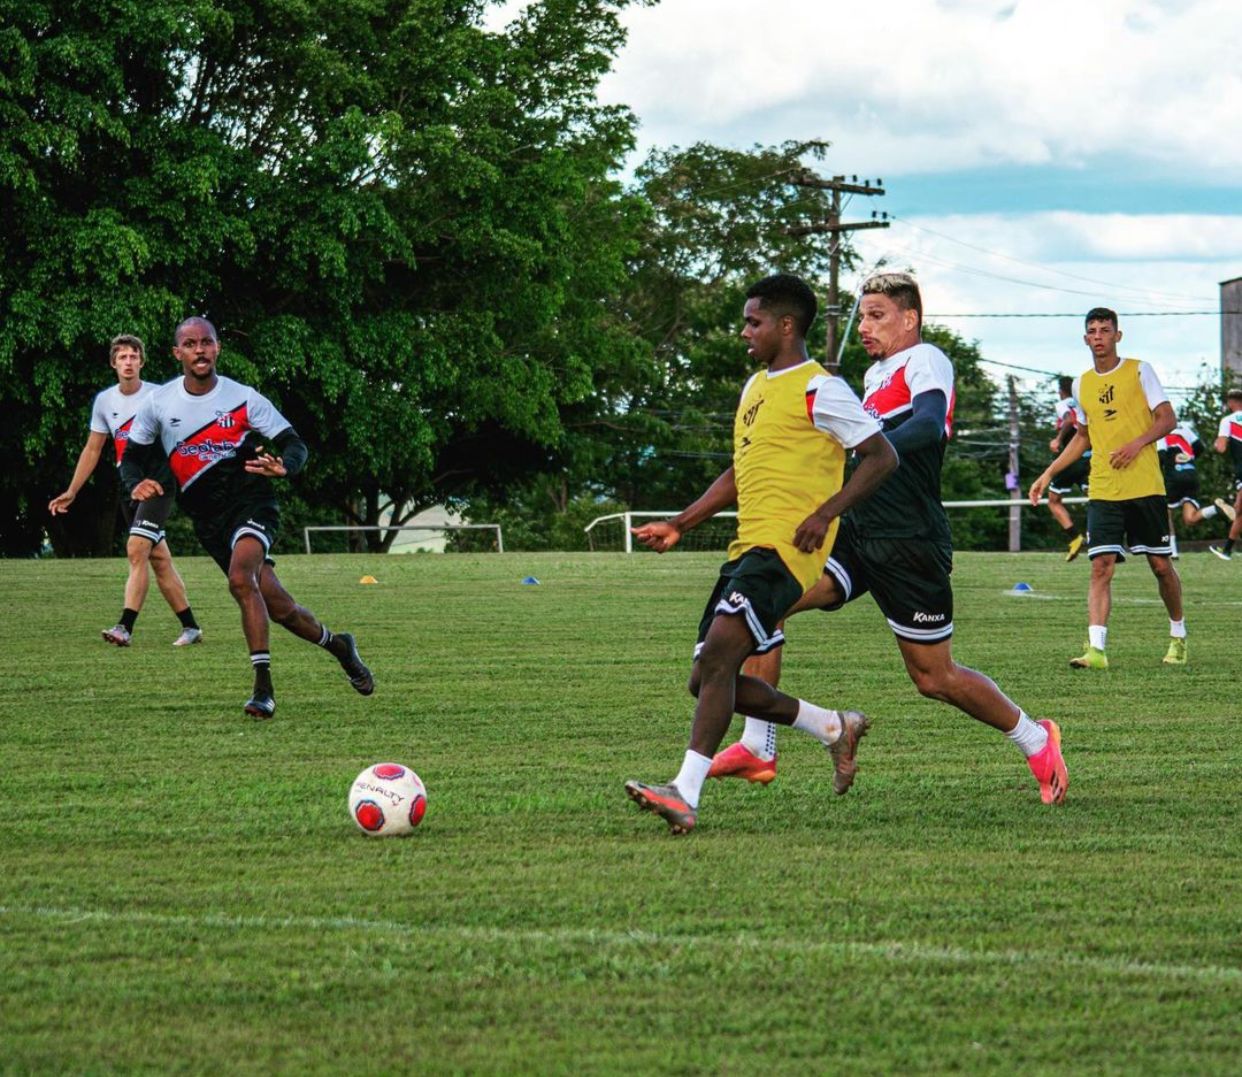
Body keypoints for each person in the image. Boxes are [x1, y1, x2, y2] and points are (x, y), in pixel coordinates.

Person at [711, 272, 1069, 806]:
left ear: (911, 319)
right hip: (858, 532)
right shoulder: (874, 377)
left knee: (935, 677)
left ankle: (1037, 740)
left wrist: (868, 450)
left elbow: (926, 426)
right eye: (862, 316)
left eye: (877, 314)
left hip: (909, 540)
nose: (865, 326)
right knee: (768, 603)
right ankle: (758, 746)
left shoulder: (926, 360)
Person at [623, 274, 898, 834]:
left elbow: (880, 455)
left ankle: (684, 791)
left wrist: (825, 514)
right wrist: (681, 522)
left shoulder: (820, 387)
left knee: (722, 655)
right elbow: (738, 471)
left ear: (787, 325)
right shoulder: (754, 388)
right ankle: (831, 726)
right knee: (705, 679)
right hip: (746, 549)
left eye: (754, 322)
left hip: (787, 552)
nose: (744, 331)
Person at [120, 317, 374, 718]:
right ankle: (340, 646)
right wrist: (135, 482)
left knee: (241, 579)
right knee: (280, 607)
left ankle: (263, 688)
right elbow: (132, 457)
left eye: (207, 342)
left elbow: (294, 443)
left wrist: (285, 466)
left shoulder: (244, 398)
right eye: (190, 344)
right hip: (208, 519)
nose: (199, 350)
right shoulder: (158, 402)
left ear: (218, 348)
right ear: (177, 353)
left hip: (252, 501)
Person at [1029, 307, 1184, 667]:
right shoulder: (1082, 384)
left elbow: (1167, 419)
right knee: (1101, 566)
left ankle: (1178, 634)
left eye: (1105, 330)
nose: (1098, 336)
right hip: (1103, 487)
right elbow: (1082, 437)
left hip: (1145, 485)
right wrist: (1048, 473)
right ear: (1086, 338)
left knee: (1160, 566)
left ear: (1118, 335)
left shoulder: (1140, 370)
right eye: (1093, 331)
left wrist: (1137, 443)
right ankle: (1096, 649)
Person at [48, 334, 202, 647]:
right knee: (158, 559)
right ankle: (191, 627)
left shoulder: (160, 396)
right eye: (122, 357)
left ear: (142, 362)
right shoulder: (105, 401)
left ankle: (124, 627)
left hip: (158, 484)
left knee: (135, 549)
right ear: (113, 364)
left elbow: (186, 438)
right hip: (129, 487)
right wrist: (72, 491)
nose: (128, 362)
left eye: (134, 356)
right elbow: (93, 450)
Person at [1156, 423, 1230, 552]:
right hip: (1191, 475)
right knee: (1190, 519)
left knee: (1165, 513)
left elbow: (1161, 456)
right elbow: (1200, 448)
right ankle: (1215, 509)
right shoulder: (1184, 427)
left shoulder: (1160, 429)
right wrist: (1188, 459)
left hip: (1174, 476)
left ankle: (1172, 551)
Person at [1045, 375, 1090, 561]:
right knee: (1096, 498)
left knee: (1053, 501)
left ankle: (1075, 537)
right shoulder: (1084, 403)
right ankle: (1100, 538)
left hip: (1071, 459)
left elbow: (1069, 420)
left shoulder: (1063, 404)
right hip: (1090, 458)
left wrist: (1058, 439)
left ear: (1061, 391)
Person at [1209, 390, 1242, 560]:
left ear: (1231, 402)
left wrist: (1217, 443)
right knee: (1239, 510)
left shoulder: (1228, 421)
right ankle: (1227, 551)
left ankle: (1228, 550)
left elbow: (1221, 448)